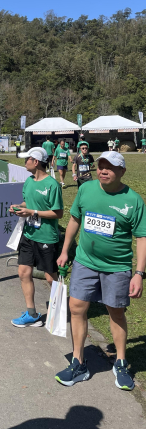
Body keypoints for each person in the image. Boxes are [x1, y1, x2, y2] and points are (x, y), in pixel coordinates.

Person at [56, 151, 146, 391]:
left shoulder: (133, 200)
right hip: (85, 262)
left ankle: (121, 362)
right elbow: (75, 220)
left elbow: (141, 237)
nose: (104, 170)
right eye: (101, 166)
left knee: (116, 312)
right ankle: (78, 362)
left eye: (110, 167)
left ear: (122, 171)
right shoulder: (86, 189)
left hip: (117, 267)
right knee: (76, 308)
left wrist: (139, 273)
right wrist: (65, 251)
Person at [9, 147, 63, 328]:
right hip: (28, 235)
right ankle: (32, 314)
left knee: (51, 278)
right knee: (23, 272)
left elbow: (58, 213)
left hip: (46, 237)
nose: (25, 162)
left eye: (27, 159)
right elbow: (27, 203)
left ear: (36, 161)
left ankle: (59, 314)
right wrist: (19, 207)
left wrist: (33, 212)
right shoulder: (29, 181)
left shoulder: (52, 185)